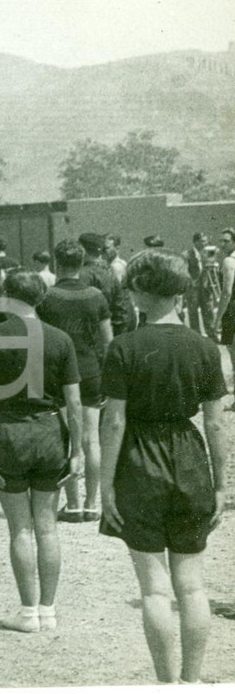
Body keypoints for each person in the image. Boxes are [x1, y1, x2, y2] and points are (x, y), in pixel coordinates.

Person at [99, 249, 227, 683]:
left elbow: (114, 420)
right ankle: (192, 682)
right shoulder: (205, 347)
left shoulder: (124, 347)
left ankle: (167, 685)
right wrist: (223, 484)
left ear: (140, 292)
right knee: (192, 585)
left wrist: (106, 486)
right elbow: (215, 423)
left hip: (139, 458)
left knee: (154, 588)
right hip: (190, 458)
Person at [0, 271, 84, 632]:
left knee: (20, 528)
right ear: (42, 297)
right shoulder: (60, 339)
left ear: (5, 296)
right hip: (50, 432)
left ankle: (27, 613)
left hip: (9, 433)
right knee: (47, 527)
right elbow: (73, 402)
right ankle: (49, 610)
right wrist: (77, 449)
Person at [37, 240, 112, 522]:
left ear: (57, 263)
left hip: (58, 375)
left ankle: (73, 503)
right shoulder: (96, 295)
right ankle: (93, 504)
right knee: (92, 439)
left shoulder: (46, 297)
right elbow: (108, 341)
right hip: (91, 371)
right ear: (82, 264)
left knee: (66, 437)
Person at [78, 232, 136, 336]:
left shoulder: (83, 274)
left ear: (82, 250)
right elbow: (122, 305)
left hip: (95, 335)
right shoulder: (109, 271)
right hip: (115, 329)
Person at [214, 228, 235, 408]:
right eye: (221, 241)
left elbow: (226, 292)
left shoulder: (229, 261)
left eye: (226, 241)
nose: (222, 245)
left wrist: (217, 317)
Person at [184, 233, 215, 338]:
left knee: (208, 310)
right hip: (193, 288)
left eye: (206, 241)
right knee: (193, 312)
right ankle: (196, 335)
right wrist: (191, 281)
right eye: (203, 241)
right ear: (196, 242)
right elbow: (184, 271)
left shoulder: (209, 252)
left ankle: (211, 334)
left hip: (206, 287)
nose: (206, 243)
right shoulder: (187, 254)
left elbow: (212, 269)